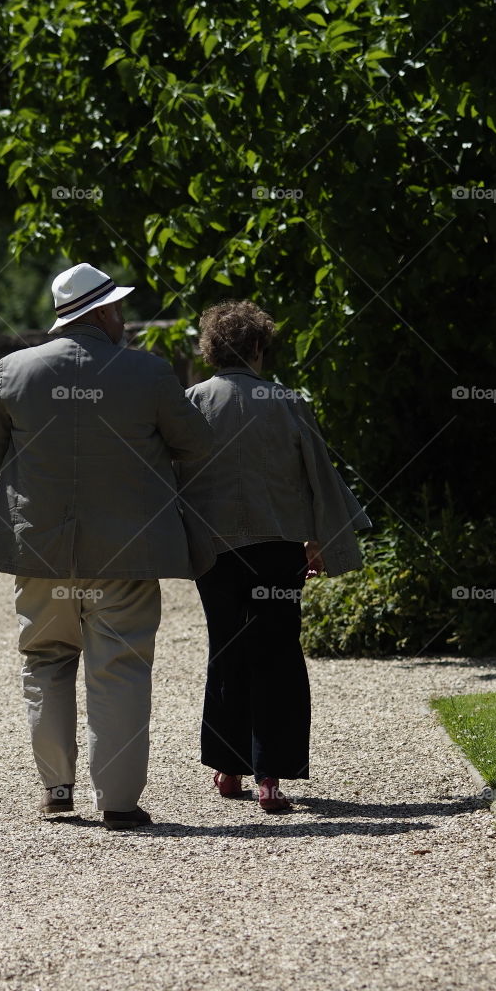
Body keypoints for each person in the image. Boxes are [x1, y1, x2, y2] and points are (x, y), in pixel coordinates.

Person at [0, 262, 216, 830]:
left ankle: (57, 790)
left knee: (46, 659)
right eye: (119, 308)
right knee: (121, 665)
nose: (124, 318)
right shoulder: (147, 372)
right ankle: (120, 802)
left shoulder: (13, 369)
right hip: (126, 549)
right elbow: (196, 443)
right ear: (101, 312)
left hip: (41, 549)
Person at [177, 299, 371, 812]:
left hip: (215, 551)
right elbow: (318, 477)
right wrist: (323, 540)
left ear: (212, 348)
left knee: (226, 650)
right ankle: (270, 777)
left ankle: (228, 766)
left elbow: (172, 479)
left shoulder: (191, 400)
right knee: (278, 654)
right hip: (279, 550)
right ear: (259, 346)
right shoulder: (287, 401)